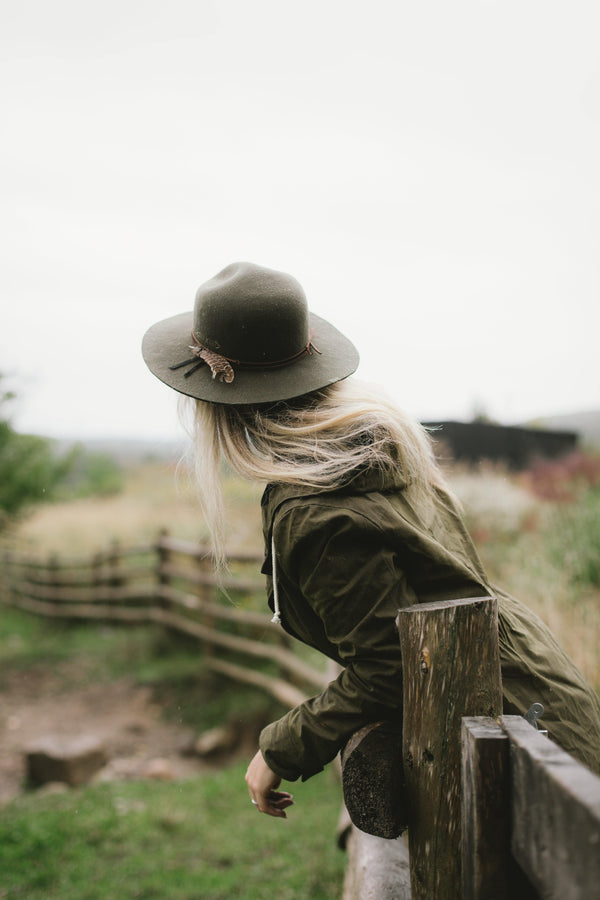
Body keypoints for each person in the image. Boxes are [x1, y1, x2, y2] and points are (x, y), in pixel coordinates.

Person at [142, 261, 600, 818]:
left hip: (509, 727)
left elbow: (392, 666)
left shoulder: (316, 511)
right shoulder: (372, 446)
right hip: (527, 686)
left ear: (216, 403)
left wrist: (280, 746)